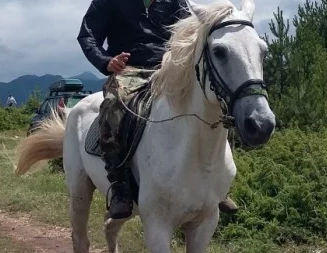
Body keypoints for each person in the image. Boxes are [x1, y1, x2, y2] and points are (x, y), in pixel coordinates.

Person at [77, 0, 239, 219]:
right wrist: (106, 62)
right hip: (128, 72)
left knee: (210, 104)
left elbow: (191, 32)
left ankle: (217, 183)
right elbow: (87, 36)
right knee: (113, 108)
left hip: (169, 71)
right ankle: (119, 186)